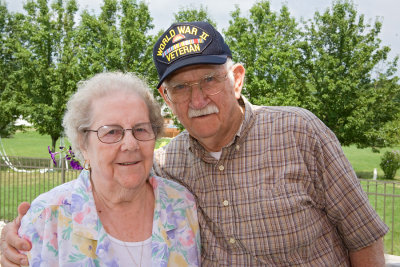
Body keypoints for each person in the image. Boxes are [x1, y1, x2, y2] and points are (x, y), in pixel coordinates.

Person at [1, 21, 388, 266]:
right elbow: (109, 176)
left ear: (236, 79)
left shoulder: (300, 132)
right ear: (166, 99)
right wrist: (10, 237)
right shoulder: (168, 167)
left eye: (210, 80)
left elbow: (364, 238)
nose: (198, 100)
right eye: (181, 88)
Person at [3, 72, 201, 266]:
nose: (131, 144)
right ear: (83, 144)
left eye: (141, 129)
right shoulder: (46, 218)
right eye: (112, 132)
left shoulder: (181, 205)